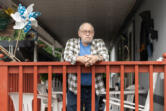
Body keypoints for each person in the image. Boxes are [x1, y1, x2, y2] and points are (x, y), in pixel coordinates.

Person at [64, 22, 109, 111]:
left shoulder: (99, 42)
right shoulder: (71, 42)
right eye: (85, 31)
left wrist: (96, 58)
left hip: (93, 87)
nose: (88, 34)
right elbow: (66, 56)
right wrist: (80, 59)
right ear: (79, 33)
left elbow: (106, 56)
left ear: (93, 34)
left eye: (90, 31)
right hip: (74, 87)